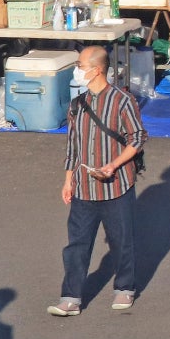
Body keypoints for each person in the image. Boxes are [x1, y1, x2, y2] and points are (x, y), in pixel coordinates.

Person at [49, 45, 145, 316]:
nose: (77, 70)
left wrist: (113, 165)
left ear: (97, 69)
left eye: (80, 65)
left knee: (121, 241)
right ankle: (71, 296)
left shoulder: (122, 100)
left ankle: (125, 288)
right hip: (83, 187)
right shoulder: (77, 104)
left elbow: (137, 137)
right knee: (76, 245)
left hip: (116, 186)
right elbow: (73, 146)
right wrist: (68, 180)